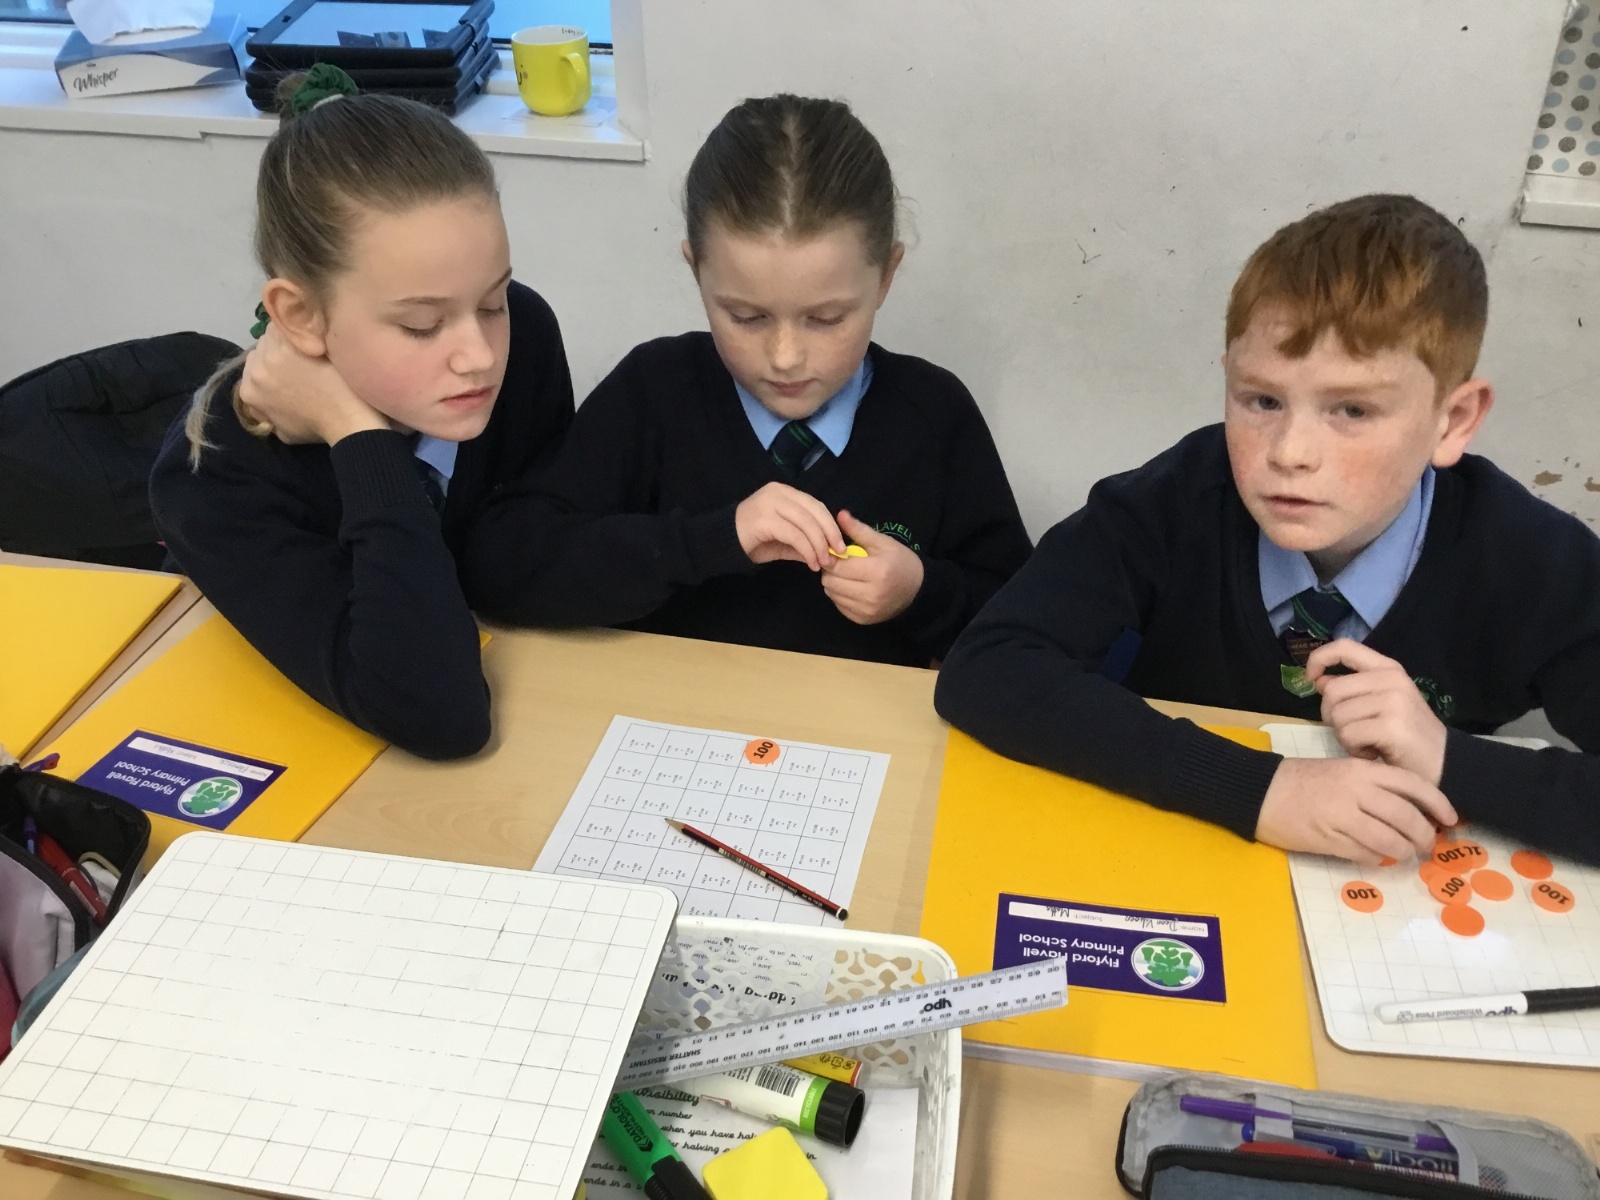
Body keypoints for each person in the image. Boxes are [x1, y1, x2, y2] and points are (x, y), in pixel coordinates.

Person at [937, 194, 1600, 865]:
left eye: (1351, 410)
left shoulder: (1537, 564)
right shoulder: (1174, 501)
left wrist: (1446, 757)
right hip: (1185, 851)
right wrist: (1261, 790)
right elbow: (988, 664)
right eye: (1262, 400)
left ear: (1453, 421)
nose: (1289, 452)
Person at [462, 94, 1032, 667]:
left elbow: (1024, 618)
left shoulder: (934, 415)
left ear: (885, 276)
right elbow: (501, 564)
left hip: (856, 721)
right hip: (672, 712)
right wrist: (711, 540)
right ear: (697, 270)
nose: (785, 357)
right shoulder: (654, 393)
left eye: (826, 319)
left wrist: (920, 592)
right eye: (746, 317)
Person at [150, 67, 573, 759]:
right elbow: (438, 716)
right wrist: (358, 435)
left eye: (491, 301)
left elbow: (530, 553)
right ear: (299, 316)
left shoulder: (522, 335)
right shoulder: (214, 480)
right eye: (421, 326)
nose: (479, 356)